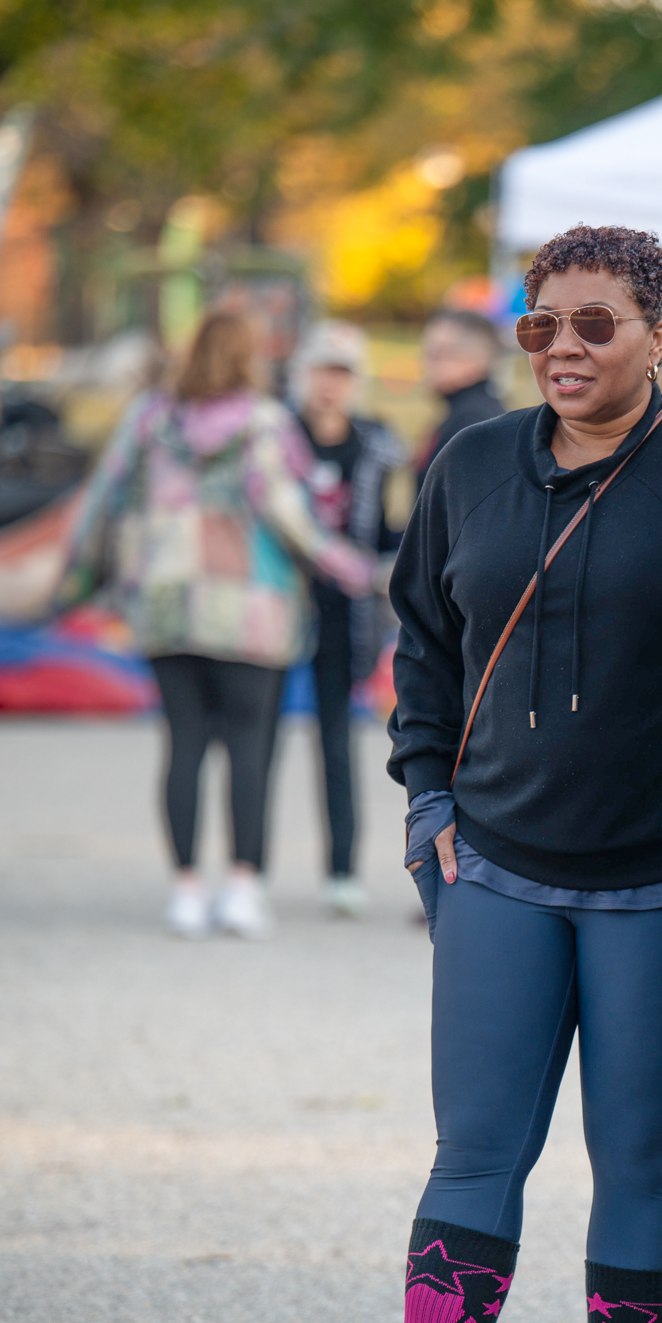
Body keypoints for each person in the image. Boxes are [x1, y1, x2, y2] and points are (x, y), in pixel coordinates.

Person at [310, 225, 662, 1323]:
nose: (561, 348)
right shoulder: (471, 463)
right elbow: (421, 640)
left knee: (640, 1162)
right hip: (491, 862)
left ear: (657, 332)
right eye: (538, 325)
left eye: (594, 324)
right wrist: (426, 796)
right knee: (475, 1153)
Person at [59, 309, 374, 938]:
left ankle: (184, 890)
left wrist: (76, 581)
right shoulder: (266, 423)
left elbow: (103, 498)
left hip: (166, 603)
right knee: (249, 748)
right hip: (254, 610)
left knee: (183, 744)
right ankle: (241, 887)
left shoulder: (149, 418)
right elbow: (291, 515)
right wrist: (353, 569)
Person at [291, 321, 407, 917]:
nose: (328, 385)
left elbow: (393, 529)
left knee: (338, 742)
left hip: (347, 614)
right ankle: (245, 869)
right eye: (320, 371)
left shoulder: (378, 444)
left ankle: (341, 869)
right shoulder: (277, 437)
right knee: (254, 742)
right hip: (281, 609)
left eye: (340, 373)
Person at [412, 309, 504, 487]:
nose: (424, 363)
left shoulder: (473, 422)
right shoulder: (467, 411)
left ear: (475, 360)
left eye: (437, 354)